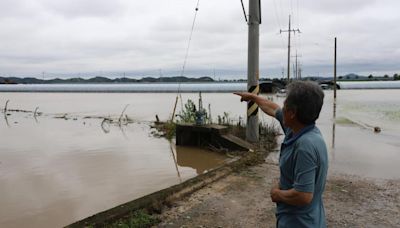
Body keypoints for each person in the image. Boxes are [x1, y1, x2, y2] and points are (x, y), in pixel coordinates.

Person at [234, 81, 328, 228]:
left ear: (292, 113)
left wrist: (277, 194)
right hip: (303, 218)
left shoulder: (305, 146)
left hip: (300, 223)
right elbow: (273, 109)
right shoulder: (301, 130)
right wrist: (254, 98)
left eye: (285, 106)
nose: (281, 108)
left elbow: (304, 195)